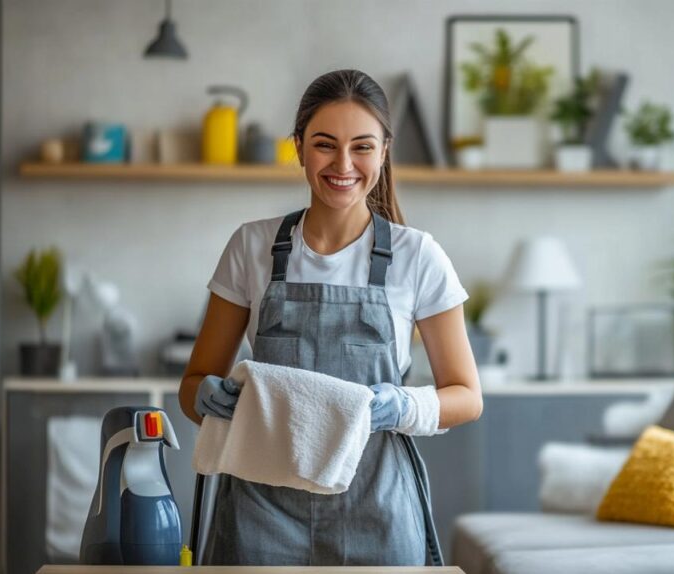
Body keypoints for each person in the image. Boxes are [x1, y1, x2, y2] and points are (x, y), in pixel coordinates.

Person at [178, 69, 483, 566]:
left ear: (384, 151)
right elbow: (192, 385)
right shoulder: (251, 246)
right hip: (258, 510)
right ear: (298, 147)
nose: (343, 164)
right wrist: (208, 397)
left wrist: (401, 406)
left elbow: (467, 397)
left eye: (362, 147)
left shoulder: (418, 256)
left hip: (377, 506)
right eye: (325, 144)